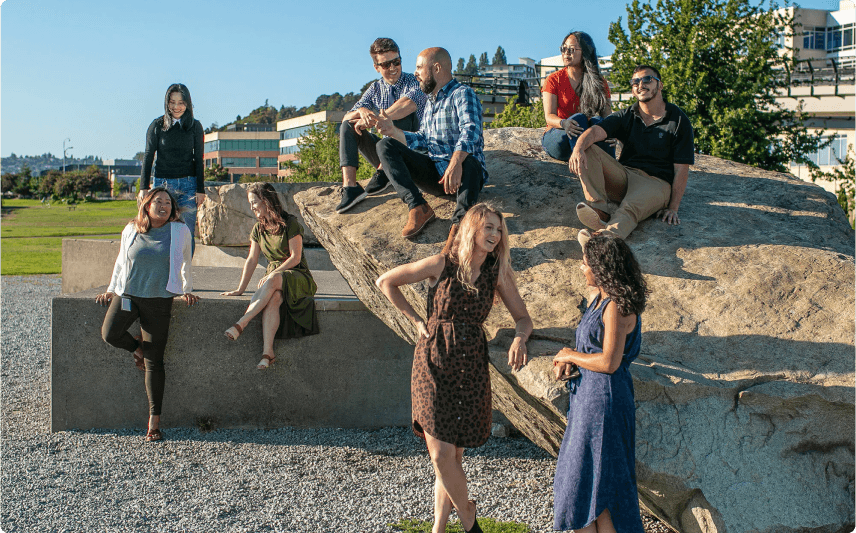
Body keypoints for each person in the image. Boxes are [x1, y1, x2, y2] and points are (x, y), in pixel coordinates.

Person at [376, 203, 532, 533]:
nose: (495, 234)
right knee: (440, 454)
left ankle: (438, 528)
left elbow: (523, 318)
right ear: (472, 229)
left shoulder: (496, 273)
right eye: (488, 227)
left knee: (453, 459)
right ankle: (470, 519)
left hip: (470, 366)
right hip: (432, 361)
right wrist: (416, 319)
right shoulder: (441, 264)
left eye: (499, 229)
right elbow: (385, 282)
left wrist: (520, 338)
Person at [551, 233, 648, 533]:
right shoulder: (600, 299)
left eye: (585, 263)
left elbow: (609, 362)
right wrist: (570, 361)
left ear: (601, 267)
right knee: (587, 489)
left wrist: (570, 354)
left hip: (604, 404)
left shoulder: (617, 306)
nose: (582, 269)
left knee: (597, 488)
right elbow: (591, 351)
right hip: (587, 401)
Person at [96, 187, 199, 443]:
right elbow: (121, 261)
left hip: (159, 300)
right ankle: (137, 349)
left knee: (155, 361)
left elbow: (186, 262)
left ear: (172, 208)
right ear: (146, 205)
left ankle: (154, 422)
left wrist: (186, 290)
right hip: (128, 294)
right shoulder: (132, 228)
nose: (163, 206)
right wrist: (111, 290)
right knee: (109, 334)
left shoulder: (180, 231)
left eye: (168, 202)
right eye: (158, 201)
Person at [375, 47, 488, 251]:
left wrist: (455, 163)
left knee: (470, 162)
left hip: (464, 176)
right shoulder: (429, 103)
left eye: (419, 67)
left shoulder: (463, 94)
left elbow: (471, 131)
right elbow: (423, 139)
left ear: (436, 68)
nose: (415, 73)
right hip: (436, 175)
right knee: (384, 145)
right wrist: (393, 131)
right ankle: (418, 207)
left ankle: (459, 226)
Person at [569, 65, 694, 247]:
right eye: (635, 82)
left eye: (647, 79)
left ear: (660, 86)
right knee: (588, 148)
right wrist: (578, 148)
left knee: (629, 208)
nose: (640, 84)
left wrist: (673, 207)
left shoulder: (678, 120)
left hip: (656, 183)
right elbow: (596, 132)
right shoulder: (628, 115)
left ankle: (603, 240)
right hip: (625, 176)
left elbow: (681, 169)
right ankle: (600, 210)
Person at [222, 182, 319, 369]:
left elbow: (295, 257)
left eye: (254, 202)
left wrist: (273, 273)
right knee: (274, 298)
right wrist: (240, 289)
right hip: (275, 279)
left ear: (266, 201)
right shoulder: (258, 229)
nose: (252, 207)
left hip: (297, 275)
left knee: (273, 280)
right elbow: (251, 260)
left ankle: (242, 323)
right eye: (250, 203)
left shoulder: (290, 223)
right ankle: (268, 354)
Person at [336, 37, 427, 214]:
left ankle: (385, 170)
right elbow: (346, 117)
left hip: (414, 151)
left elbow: (407, 105)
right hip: (386, 151)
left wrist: (374, 119)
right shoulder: (375, 89)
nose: (393, 68)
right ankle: (350, 187)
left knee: (396, 115)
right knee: (349, 125)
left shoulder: (415, 82)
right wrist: (362, 111)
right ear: (377, 67)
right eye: (386, 65)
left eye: (396, 62)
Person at [140, 83, 205, 255]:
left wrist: (200, 189)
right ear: (167, 103)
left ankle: (185, 278)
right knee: (160, 231)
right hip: (162, 186)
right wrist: (143, 187)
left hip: (188, 186)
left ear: (188, 103)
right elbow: (148, 156)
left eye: (181, 102)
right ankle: (165, 276)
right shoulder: (157, 125)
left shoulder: (195, 127)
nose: (176, 107)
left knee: (186, 233)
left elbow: (199, 159)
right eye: (172, 102)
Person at [541, 31, 614, 161]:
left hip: (585, 135)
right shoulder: (553, 80)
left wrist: (613, 132)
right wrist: (564, 124)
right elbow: (549, 117)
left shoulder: (599, 82)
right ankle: (582, 166)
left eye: (572, 49)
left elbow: (607, 115)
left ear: (585, 52)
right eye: (563, 48)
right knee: (579, 119)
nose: (566, 53)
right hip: (560, 135)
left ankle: (616, 172)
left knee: (600, 123)